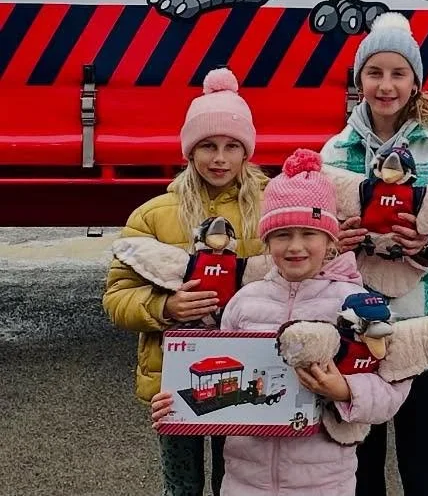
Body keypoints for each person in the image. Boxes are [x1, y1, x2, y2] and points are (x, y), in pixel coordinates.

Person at [150, 148, 412, 496]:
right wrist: (177, 407)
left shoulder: (356, 306)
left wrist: (345, 391)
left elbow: (391, 389)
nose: (295, 247)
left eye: (309, 234)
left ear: (330, 240)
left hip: (323, 484)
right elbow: (216, 376)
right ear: (267, 240)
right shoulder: (244, 302)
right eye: (282, 234)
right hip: (244, 483)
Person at [321, 12, 428, 496]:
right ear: (359, 80)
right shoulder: (335, 153)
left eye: (398, 73)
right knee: (362, 451)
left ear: (416, 82)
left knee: (418, 450)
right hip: (356, 325)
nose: (386, 85)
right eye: (374, 72)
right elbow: (308, 242)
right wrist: (338, 240)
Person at [103, 67, 268, 496]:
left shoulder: (271, 209)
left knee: (241, 479)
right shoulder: (153, 215)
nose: (220, 158)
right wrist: (163, 308)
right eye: (208, 145)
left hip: (247, 368)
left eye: (232, 146)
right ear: (189, 151)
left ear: (246, 152)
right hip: (175, 381)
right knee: (182, 484)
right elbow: (117, 297)